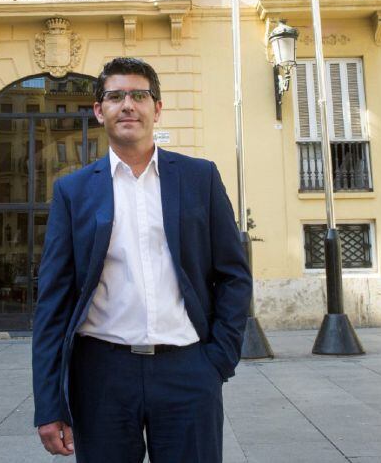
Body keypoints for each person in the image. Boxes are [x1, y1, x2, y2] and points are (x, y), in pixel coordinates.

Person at [32, 57, 252, 463]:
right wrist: (48, 403)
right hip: (101, 376)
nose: (127, 104)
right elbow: (53, 301)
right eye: (115, 96)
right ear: (100, 111)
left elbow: (233, 275)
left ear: (157, 107)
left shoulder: (199, 178)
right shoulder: (73, 192)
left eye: (139, 95)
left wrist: (218, 360)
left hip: (188, 371)